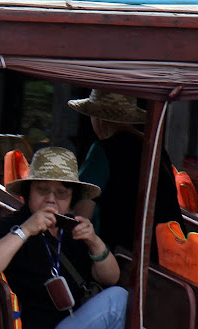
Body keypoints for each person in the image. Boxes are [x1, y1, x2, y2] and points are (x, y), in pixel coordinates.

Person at [0, 146, 128, 329]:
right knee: (117, 300)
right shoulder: (13, 226)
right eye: (43, 190)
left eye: (61, 193)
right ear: (28, 193)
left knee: (121, 301)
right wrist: (26, 230)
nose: (51, 199)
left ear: (72, 199)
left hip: (76, 324)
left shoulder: (72, 230)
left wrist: (94, 241)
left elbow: (110, 278)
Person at [68, 89, 185, 262]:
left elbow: (82, 213)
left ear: (98, 119)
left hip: (120, 257)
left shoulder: (104, 150)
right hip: (167, 255)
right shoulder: (156, 149)